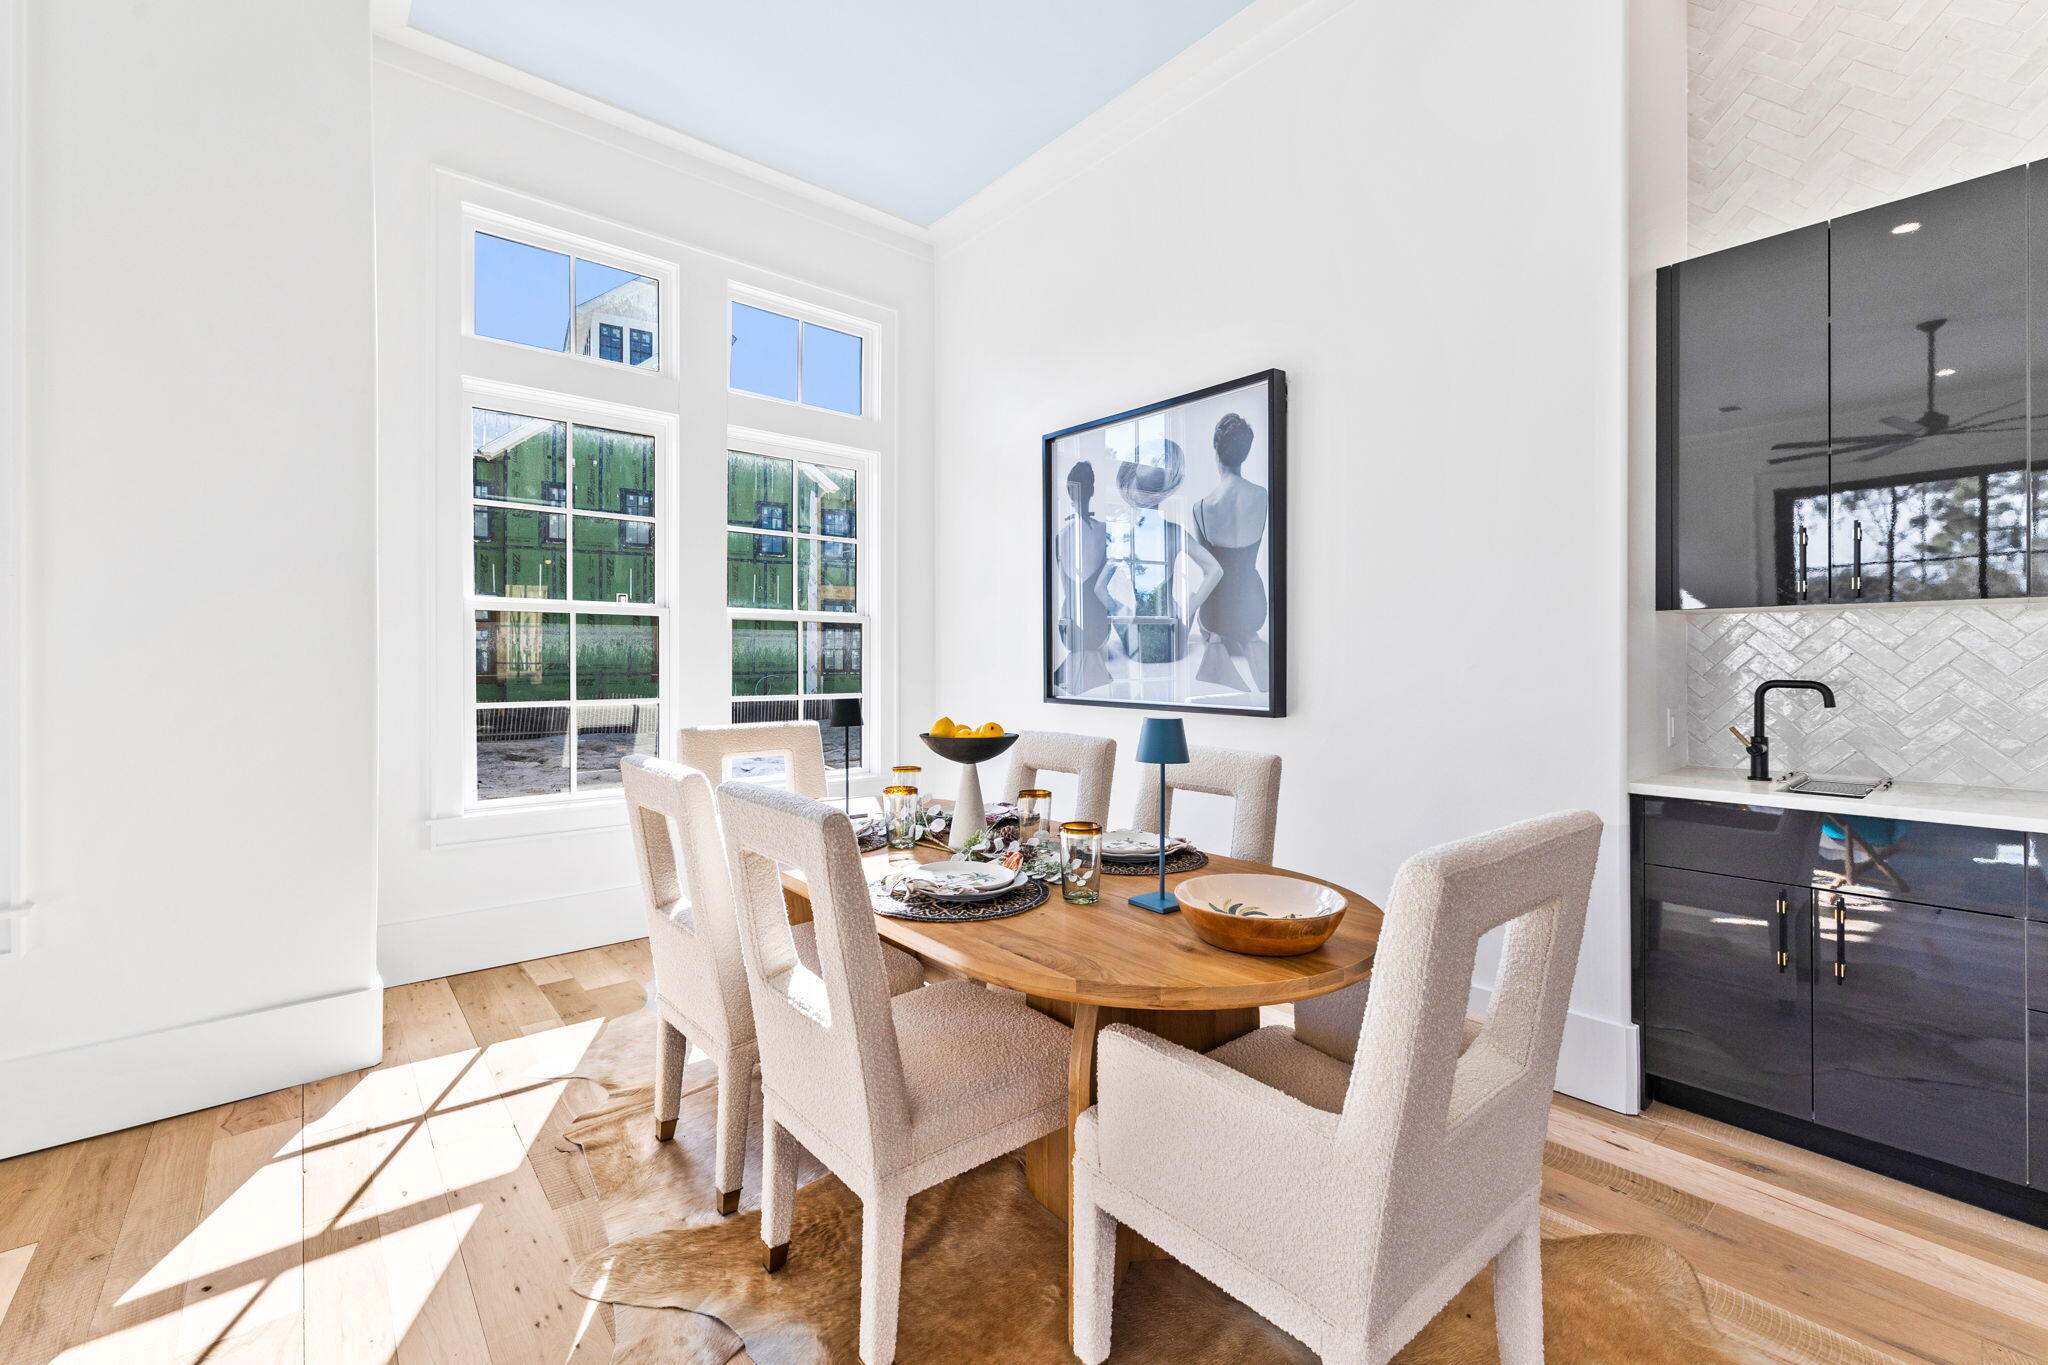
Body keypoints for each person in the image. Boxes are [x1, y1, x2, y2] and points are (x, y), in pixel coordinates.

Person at [1188, 412, 1270, 692]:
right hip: (1254, 605)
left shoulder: (1202, 507)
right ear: (1245, 453)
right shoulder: (1264, 496)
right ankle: (1249, 640)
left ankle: (1217, 642)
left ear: (1216, 450)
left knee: (1210, 625)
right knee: (1246, 627)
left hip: (1216, 612)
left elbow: (1207, 569)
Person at [1054, 460, 1114, 694]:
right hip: (1098, 624)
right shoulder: (1104, 532)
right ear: (1092, 490)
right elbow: (1104, 584)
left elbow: (1064, 584)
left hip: (1069, 623)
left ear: (1070, 491)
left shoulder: (1062, 536)